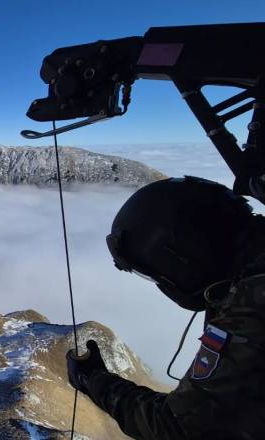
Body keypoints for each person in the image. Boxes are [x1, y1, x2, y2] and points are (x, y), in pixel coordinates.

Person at [66, 176, 265, 440]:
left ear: (183, 260)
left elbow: (178, 427)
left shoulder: (253, 303)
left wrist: (92, 379)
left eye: (158, 275)